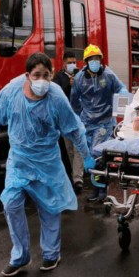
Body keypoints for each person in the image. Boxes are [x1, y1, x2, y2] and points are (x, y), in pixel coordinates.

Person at [0, 53, 95, 277]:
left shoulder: (56, 97)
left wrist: (86, 154)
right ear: (27, 75)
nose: (41, 80)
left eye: (46, 75)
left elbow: (74, 128)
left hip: (46, 161)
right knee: (11, 203)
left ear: (51, 75)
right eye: (36, 75)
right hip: (19, 160)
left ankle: (51, 253)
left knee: (49, 208)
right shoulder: (12, 91)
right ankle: (20, 256)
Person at [70, 44, 129, 202]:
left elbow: (120, 87)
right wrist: (76, 120)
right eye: (92, 59)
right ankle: (96, 188)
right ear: (86, 61)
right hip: (87, 123)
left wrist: (123, 93)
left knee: (99, 156)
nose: (95, 61)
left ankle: (101, 189)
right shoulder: (79, 79)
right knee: (89, 155)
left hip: (104, 122)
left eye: (97, 58)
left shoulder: (108, 75)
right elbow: (74, 102)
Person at [53, 51, 84, 194]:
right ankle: (74, 175)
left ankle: (78, 179)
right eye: (69, 62)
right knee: (69, 149)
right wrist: (69, 85)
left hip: (78, 117)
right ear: (64, 63)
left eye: (74, 62)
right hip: (64, 119)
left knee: (78, 148)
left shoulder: (80, 75)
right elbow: (58, 95)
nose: (72, 65)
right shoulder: (58, 77)